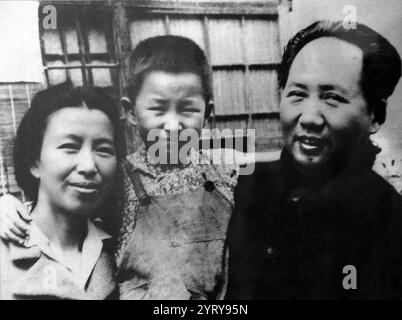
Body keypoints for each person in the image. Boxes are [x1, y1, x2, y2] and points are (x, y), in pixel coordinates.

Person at [0, 35, 238, 300]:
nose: (173, 126)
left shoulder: (228, 175)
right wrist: (7, 206)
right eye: (158, 109)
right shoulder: (116, 179)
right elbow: (58, 209)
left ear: (208, 115)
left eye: (187, 109)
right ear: (131, 112)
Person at [226, 20, 402, 299]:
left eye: (332, 98)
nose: (308, 117)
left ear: (375, 115)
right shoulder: (244, 189)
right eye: (296, 94)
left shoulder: (390, 216)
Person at [0, 81, 123, 299]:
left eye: (103, 150)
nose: (88, 166)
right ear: (34, 161)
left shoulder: (122, 247)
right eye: (70, 147)